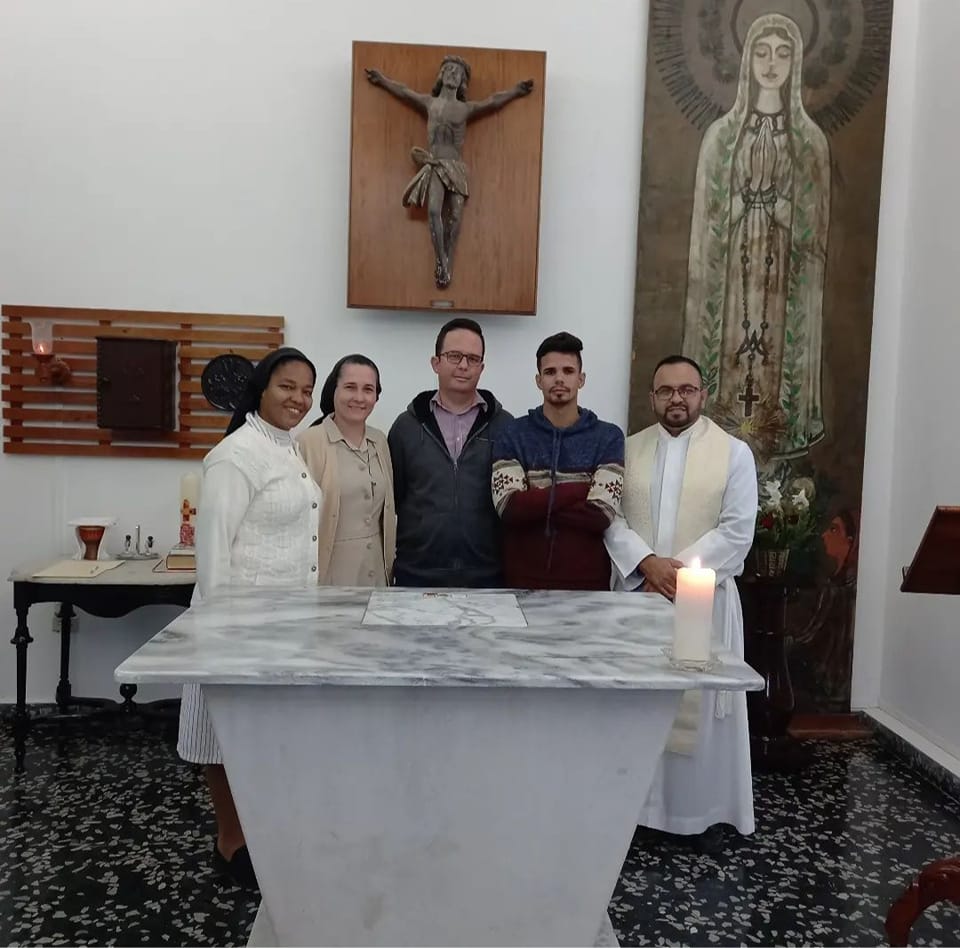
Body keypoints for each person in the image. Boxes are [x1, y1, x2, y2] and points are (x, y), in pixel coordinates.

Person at [177, 347, 321, 886]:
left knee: (263, 738)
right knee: (223, 736)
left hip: (286, 624)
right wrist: (217, 632)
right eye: (288, 387)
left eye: (307, 390)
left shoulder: (286, 448)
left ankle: (262, 832)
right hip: (240, 621)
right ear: (261, 389)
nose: (299, 399)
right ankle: (231, 842)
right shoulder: (235, 455)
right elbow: (212, 555)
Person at [604, 354, 758, 835]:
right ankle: (639, 816)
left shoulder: (733, 454)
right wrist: (646, 564)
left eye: (686, 389)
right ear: (652, 397)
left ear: (702, 395)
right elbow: (610, 517)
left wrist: (676, 572)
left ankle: (699, 815)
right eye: (666, 390)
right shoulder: (626, 450)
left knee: (701, 706)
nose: (677, 399)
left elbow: (737, 530)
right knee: (641, 707)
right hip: (640, 597)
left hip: (703, 602)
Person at [681, 13, 830, 463]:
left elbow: (815, 227)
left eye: (782, 54)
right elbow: (706, 224)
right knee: (730, 347)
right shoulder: (721, 137)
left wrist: (783, 210)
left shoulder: (810, 141)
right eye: (762, 52)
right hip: (732, 275)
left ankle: (777, 442)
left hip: (782, 278)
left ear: (796, 64)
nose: (771, 63)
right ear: (747, 61)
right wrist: (741, 209)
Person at [365, 56, 534, 288]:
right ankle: (441, 260)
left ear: (463, 81)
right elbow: (404, 92)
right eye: (449, 70)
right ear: (441, 75)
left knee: (455, 216)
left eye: (458, 72)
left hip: (455, 167)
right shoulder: (429, 103)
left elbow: (493, 101)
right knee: (434, 210)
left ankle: (447, 260)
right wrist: (382, 80)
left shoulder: (465, 108)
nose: (453, 74)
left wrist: (515, 91)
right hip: (435, 164)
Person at [492, 332, 624, 590]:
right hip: (520, 584)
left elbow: (600, 514)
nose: (559, 379)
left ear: (581, 379)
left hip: (589, 586)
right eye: (550, 371)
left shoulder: (607, 437)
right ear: (539, 380)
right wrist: (577, 490)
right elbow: (509, 508)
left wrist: (537, 498)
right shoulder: (512, 433)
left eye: (568, 371)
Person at [388, 317, 512, 587]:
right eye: (454, 356)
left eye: (473, 358)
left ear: (482, 367)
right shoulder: (406, 427)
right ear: (436, 362)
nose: (464, 365)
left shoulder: (505, 426)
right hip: (416, 575)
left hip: (488, 577)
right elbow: (393, 500)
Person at [298, 354, 395, 585]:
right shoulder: (309, 442)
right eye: (350, 387)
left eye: (368, 389)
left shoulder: (380, 441)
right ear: (334, 390)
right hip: (330, 577)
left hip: (377, 577)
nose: (359, 398)